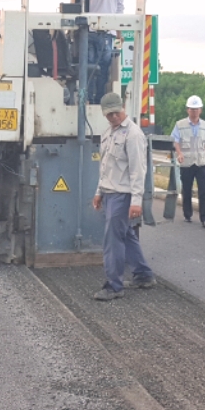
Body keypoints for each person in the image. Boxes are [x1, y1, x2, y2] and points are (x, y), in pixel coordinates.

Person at [92, 92, 156, 300]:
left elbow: (139, 170)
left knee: (113, 240)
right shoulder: (107, 134)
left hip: (123, 195)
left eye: (116, 113)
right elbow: (105, 167)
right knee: (126, 236)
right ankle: (143, 274)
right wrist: (99, 192)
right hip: (110, 192)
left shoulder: (133, 135)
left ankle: (114, 285)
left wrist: (136, 201)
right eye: (109, 114)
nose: (113, 117)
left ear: (123, 108)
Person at [172, 95, 205, 229]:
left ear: (200, 110)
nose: (194, 111)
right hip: (187, 162)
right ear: (187, 110)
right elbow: (175, 141)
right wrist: (179, 153)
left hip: (201, 162)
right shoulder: (180, 124)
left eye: (196, 109)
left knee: (203, 191)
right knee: (187, 190)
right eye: (192, 109)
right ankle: (187, 214)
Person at [87, 0, 124, 103]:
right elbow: (119, 11)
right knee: (104, 66)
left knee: (89, 66)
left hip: (90, 30)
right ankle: (99, 98)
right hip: (108, 32)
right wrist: (119, 35)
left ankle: (88, 97)